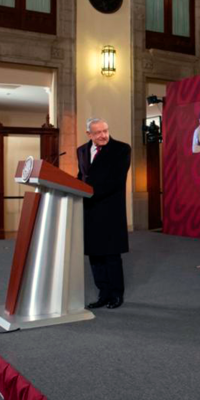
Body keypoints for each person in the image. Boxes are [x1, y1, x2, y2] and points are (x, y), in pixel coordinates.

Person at [76, 117, 131, 310]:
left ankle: (116, 294)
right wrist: (73, 189)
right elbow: (81, 176)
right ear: (89, 134)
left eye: (105, 131)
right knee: (95, 255)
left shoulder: (122, 149)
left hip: (110, 210)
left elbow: (116, 180)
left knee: (111, 255)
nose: (103, 135)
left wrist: (88, 193)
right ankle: (103, 294)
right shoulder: (81, 150)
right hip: (89, 210)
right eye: (98, 132)